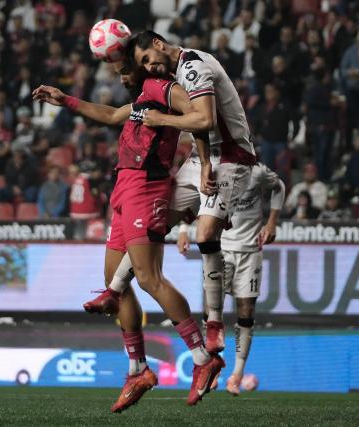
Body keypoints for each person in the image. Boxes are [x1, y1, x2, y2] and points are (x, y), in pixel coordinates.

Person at [33, 57, 223, 410]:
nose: (121, 77)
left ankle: (202, 358)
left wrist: (203, 162)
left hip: (147, 186)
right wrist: (66, 100)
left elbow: (201, 119)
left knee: (150, 278)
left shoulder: (164, 88)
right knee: (112, 282)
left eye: (125, 69)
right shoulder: (141, 100)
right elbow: (109, 116)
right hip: (124, 186)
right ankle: (138, 368)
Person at [101, 30, 256, 357]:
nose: (149, 67)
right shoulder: (171, 73)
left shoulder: (192, 66)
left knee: (206, 232)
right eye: (142, 64)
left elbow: (204, 119)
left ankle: (213, 320)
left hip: (231, 157)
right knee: (154, 225)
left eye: (147, 59)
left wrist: (157, 117)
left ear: (159, 44)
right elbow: (197, 127)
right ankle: (114, 290)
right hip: (203, 157)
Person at [177, 162, 284, 395]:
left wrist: (272, 221)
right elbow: (195, 194)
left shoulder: (258, 171)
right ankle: (211, 370)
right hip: (220, 248)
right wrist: (184, 230)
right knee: (211, 311)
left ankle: (237, 374)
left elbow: (280, 186)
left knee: (246, 314)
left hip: (250, 251)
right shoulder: (215, 167)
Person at [252, 83, 298, 174]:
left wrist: (292, 137)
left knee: (282, 170)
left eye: (271, 91)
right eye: (266, 91)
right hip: (266, 142)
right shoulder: (262, 106)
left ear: (277, 92)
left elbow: (295, 122)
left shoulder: (285, 105)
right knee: (266, 170)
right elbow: (256, 122)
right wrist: (257, 134)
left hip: (281, 142)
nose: (268, 93)